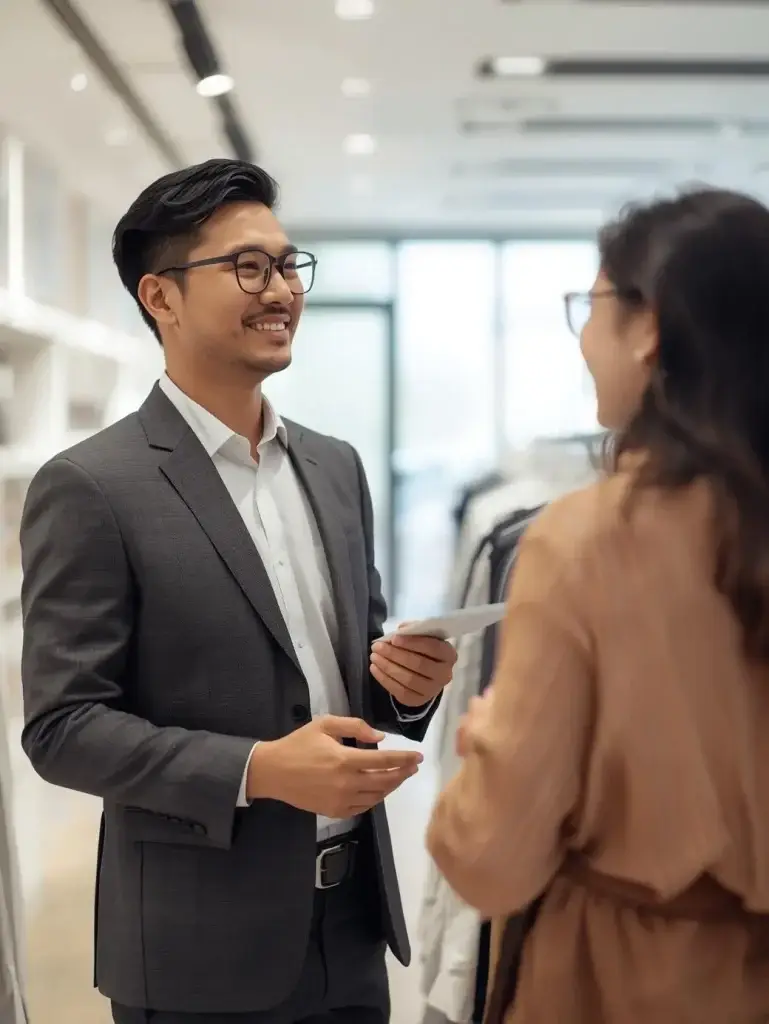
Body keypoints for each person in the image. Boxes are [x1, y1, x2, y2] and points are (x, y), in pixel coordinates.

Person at [19, 158, 457, 1024]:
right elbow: (62, 727)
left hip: (353, 928)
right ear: (161, 297)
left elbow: (353, 686)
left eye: (290, 265)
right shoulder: (92, 485)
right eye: (248, 267)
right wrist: (259, 770)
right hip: (197, 949)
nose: (282, 290)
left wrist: (406, 693)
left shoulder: (335, 467)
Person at [426, 188, 769, 1023]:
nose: (583, 338)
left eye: (592, 306)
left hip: (624, 976)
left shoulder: (587, 539)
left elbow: (493, 858)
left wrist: (492, 748)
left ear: (646, 326)